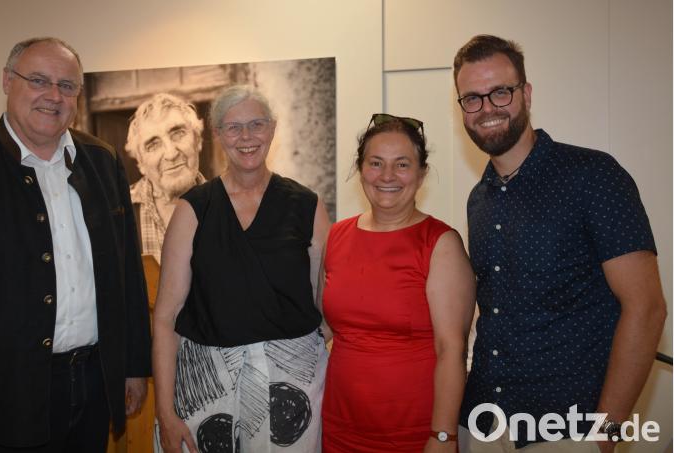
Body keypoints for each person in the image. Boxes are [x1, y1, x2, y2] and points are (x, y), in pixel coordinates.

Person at [0, 37, 152, 453]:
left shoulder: (103, 161)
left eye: (67, 85)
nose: (53, 96)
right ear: (7, 81)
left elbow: (125, 276)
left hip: (92, 387)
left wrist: (132, 367)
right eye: (38, 80)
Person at [453, 35, 667, 452]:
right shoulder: (479, 198)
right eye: (472, 98)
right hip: (483, 423)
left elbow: (647, 308)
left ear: (526, 93)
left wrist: (603, 436)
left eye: (500, 92)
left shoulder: (593, 176)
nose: (487, 108)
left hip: (566, 428)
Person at [152, 85, 331, 453]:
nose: (246, 137)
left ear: (272, 129)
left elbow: (326, 304)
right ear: (216, 135)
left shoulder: (307, 205)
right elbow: (166, 317)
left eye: (256, 124)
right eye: (233, 127)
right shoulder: (192, 209)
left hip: (292, 388)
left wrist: (297, 356)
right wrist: (165, 411)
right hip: (206, 388)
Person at [320, 114, 476, 452]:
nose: (387, 176)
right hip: (339, 428)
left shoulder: (440, 243)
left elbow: (452, 350)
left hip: (413, 434)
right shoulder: (337, 236)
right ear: (360, 169)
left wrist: (443, 435)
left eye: (401, 164)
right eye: (376, 163)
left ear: (421, 174)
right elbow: (324, 330)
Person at [123, 93, 207, 263]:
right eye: (153, 144)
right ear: (140, 163)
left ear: (197, 140)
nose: (171, 153)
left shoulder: (231, 207)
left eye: (178, 133)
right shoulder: (119, 213)